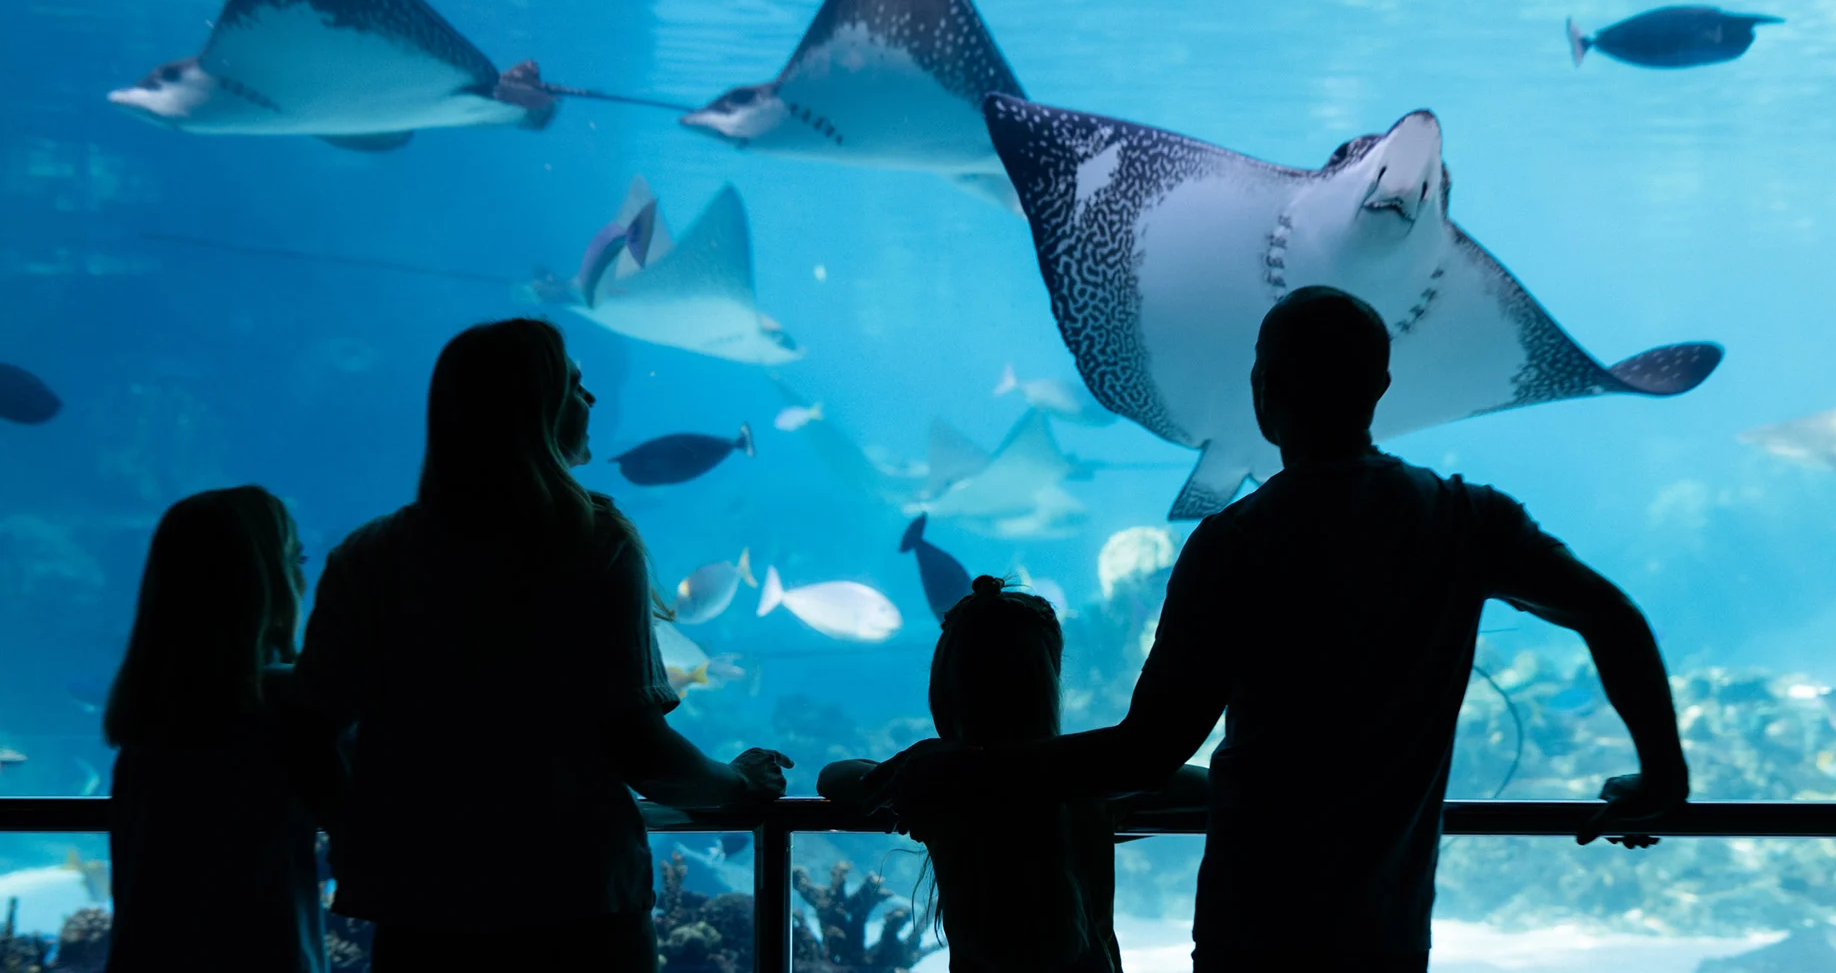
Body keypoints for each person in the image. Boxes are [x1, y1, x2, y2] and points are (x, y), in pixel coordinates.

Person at [864, 287, 1691, 972]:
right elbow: (1608, 615)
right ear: (1380, 388)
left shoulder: (1234, 545)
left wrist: (967, 772)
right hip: (1389, 931)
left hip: (1253, 928)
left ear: (1263, 395)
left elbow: (1145, 751)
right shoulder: (1466, 521)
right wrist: (1662, 777)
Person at [295, 318, 790, 972]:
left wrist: (366, 833)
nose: (590, 401)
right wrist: (734, 782)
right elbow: (637, 747)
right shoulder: (594, 543)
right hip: (575, 903)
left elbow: (306, 735)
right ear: (532, 407)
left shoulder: (367, 557)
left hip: (421, 910)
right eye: (573, 386)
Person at [819, 576, 1207, 973]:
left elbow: (836, 777)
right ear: (1049, 681)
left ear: (944, 687)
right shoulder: (1086, 784)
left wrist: (941, 759)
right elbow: (1203, 785)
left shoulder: (937, 782)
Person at [105, 485, 340, 973]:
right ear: (270, 581)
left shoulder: (146, 718)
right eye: (298, 557)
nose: (304, 576)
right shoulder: (285, 705)